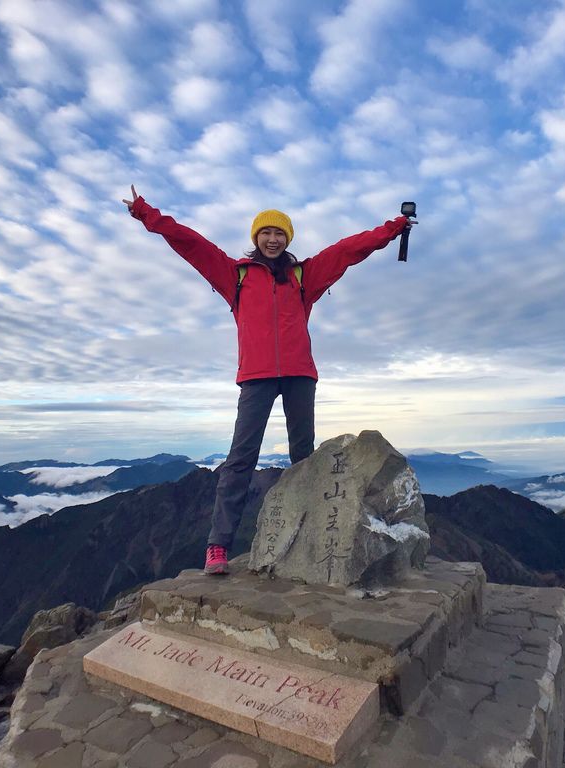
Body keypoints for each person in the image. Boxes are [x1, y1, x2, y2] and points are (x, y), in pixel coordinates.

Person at [123, 186, 410, 574]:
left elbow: (348, 250)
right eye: (266, 233)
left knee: (303, 457)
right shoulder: (235, 276)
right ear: (255, 238)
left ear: (287, 239)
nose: (273, 239)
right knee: (240, 459)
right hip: (255, 378)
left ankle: (309, 534)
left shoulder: (303, 276)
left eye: (280, 234)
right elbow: (191, 244)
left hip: (299, 375)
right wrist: (146, 214)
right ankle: (218, 547)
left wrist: (394, 228)